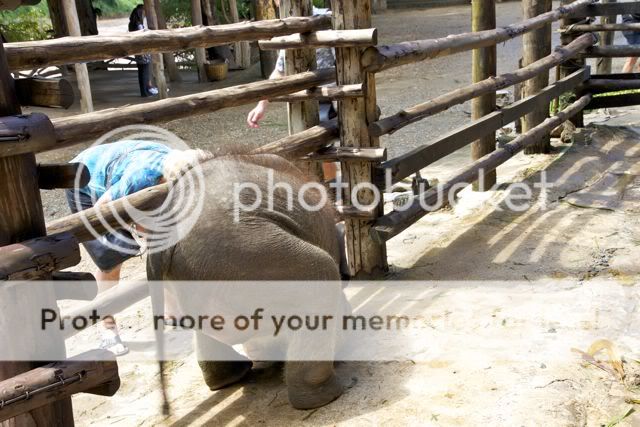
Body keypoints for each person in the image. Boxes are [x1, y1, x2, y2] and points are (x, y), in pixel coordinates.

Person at [67, 141, 211, 355]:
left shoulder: (188, 167)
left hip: (122, 166)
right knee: (111, 260)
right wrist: (136, 228)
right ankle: (107, 329)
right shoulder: (141, 178)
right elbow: (101, 213)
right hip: (85, 182)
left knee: (164, 242)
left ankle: (172, 312)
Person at [128, 5, 158, 97]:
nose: (144, 15)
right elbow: (143, 38)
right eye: (143, 13)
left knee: (141, 72)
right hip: (143, 51)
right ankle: (145, 92)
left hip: (137, 51)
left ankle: (143, 91)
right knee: (144, 72)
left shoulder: (131, 24)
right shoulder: (139, 25)